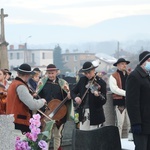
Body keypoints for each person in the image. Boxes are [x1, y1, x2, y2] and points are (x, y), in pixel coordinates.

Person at [36, 64, 72, 150]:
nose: (51, 75)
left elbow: (68, 96)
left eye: (52, 73)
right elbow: (37, 96)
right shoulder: (42, 82)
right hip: (46, 113)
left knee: (57, 135)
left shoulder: (62, 83)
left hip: (59, 113)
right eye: (49, 73)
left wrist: (69, 96)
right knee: (46, 135)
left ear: (56, 72)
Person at [6, 63, 46, 135]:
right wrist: (42, 101)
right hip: (19, 121)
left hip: (12, 119)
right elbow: (32, 105)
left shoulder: (13, 83)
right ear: (27, 75)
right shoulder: (21, 86)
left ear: (18, 73)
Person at [71, 61, 107, 130]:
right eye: (85, 73)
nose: (88, 75)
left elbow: (104, 100)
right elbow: (73, 92)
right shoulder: (82, 80)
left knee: (94, 136)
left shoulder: (101, 82)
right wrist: (76, 98)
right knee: (83, 134)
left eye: (89, 72)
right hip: (83, 112)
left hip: (95, 114)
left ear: (94, 70)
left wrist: (98, 95)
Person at [126, 51, 150, 150]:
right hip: (141, 124)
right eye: (149, 60)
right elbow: (132, 102)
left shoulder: (147, 77)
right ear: (143, 62)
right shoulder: (134, 76)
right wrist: (135, 122)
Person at [109, 58, 131, 139]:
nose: (124, 65)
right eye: (122, 64)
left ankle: (130, 138)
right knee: (120, 123)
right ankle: (118, 140)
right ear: (117, 65)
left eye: (125, 64)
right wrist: (127, 93)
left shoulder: (129, 75)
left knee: (130, 122)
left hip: (129, 101)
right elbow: (114, 89)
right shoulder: (113, 76)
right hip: (119, 102)